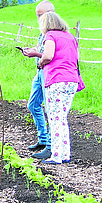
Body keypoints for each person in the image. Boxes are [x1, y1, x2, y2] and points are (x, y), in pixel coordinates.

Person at [37, 12, 84, 164]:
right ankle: (65, 154)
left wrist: (40, 62)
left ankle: (56, 156)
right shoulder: (70, 37)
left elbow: (49, 55)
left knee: (54, 118)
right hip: (72, 80)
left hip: (57, 80)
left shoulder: (50, 35)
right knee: (62, 118)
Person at [20, 0, 55, 159]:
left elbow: (51, 55)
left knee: (50, 109)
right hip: (39, 72)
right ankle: (43, 139)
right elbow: (42, 50)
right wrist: (32, 51)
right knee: (33, 105)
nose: (39, 19)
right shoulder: (43, 32)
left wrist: (37, 55)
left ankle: (50, 145)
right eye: (37, 16)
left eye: (41, 15)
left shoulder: (54, 32)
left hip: (48, 73)